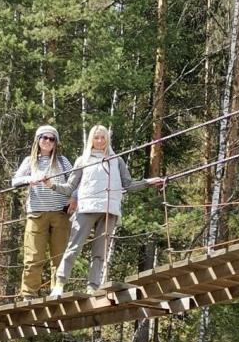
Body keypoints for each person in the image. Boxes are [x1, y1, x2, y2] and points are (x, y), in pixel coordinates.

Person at [44, 124, 162, 297]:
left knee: (100, 251)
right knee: (74, 247)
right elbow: (70, 188)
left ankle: (93, 286)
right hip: (86, 208)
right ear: (91, 139)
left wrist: (148, 182)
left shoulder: (117, 160)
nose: (99, 141)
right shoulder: (82, 160)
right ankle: (59, 284)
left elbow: (127, 185)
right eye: (96, 137)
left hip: (109, 210)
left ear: (107, 139)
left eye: (103, 137)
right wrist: (51, 185)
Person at [11, 125, 75, 301]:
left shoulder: (63, 162)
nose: (47, 141)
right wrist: (28, 179)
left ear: (56, 143)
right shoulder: (29, 161)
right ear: (38, 140)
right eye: (44, 138)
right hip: (36, 213)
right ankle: (29, 294)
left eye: (51, 139)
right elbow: (14, 181)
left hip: (60, 214)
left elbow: (75, 182)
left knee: (59, 255)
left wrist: (74, 198)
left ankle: (57, 290)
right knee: (33, 256)